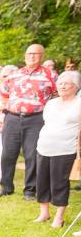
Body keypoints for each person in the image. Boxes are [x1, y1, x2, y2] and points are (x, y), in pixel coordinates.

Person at [0, 44, 58, 199]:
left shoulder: (51, 75)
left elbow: (57, 97)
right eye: (29, 53)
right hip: (12, 118)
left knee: (31, 155)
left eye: (36, 54)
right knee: (7, 154)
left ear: (42, 56)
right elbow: (3, 93)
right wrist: (6, 108)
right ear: (25, 56)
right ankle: (6, 187)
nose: (32, 56)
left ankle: (30, 190)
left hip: (36, 119)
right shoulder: (14, 74)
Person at [33, 70, 81, 228]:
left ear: (76, 86)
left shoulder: (79, 104)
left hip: (65, 149)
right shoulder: (51, 103)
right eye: (60, 83)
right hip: (44, 147)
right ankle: (44, 213)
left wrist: (79, 152)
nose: (62, 86)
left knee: (59, 183)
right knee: (42, 181)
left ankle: (59, 217)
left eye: (66, 83)